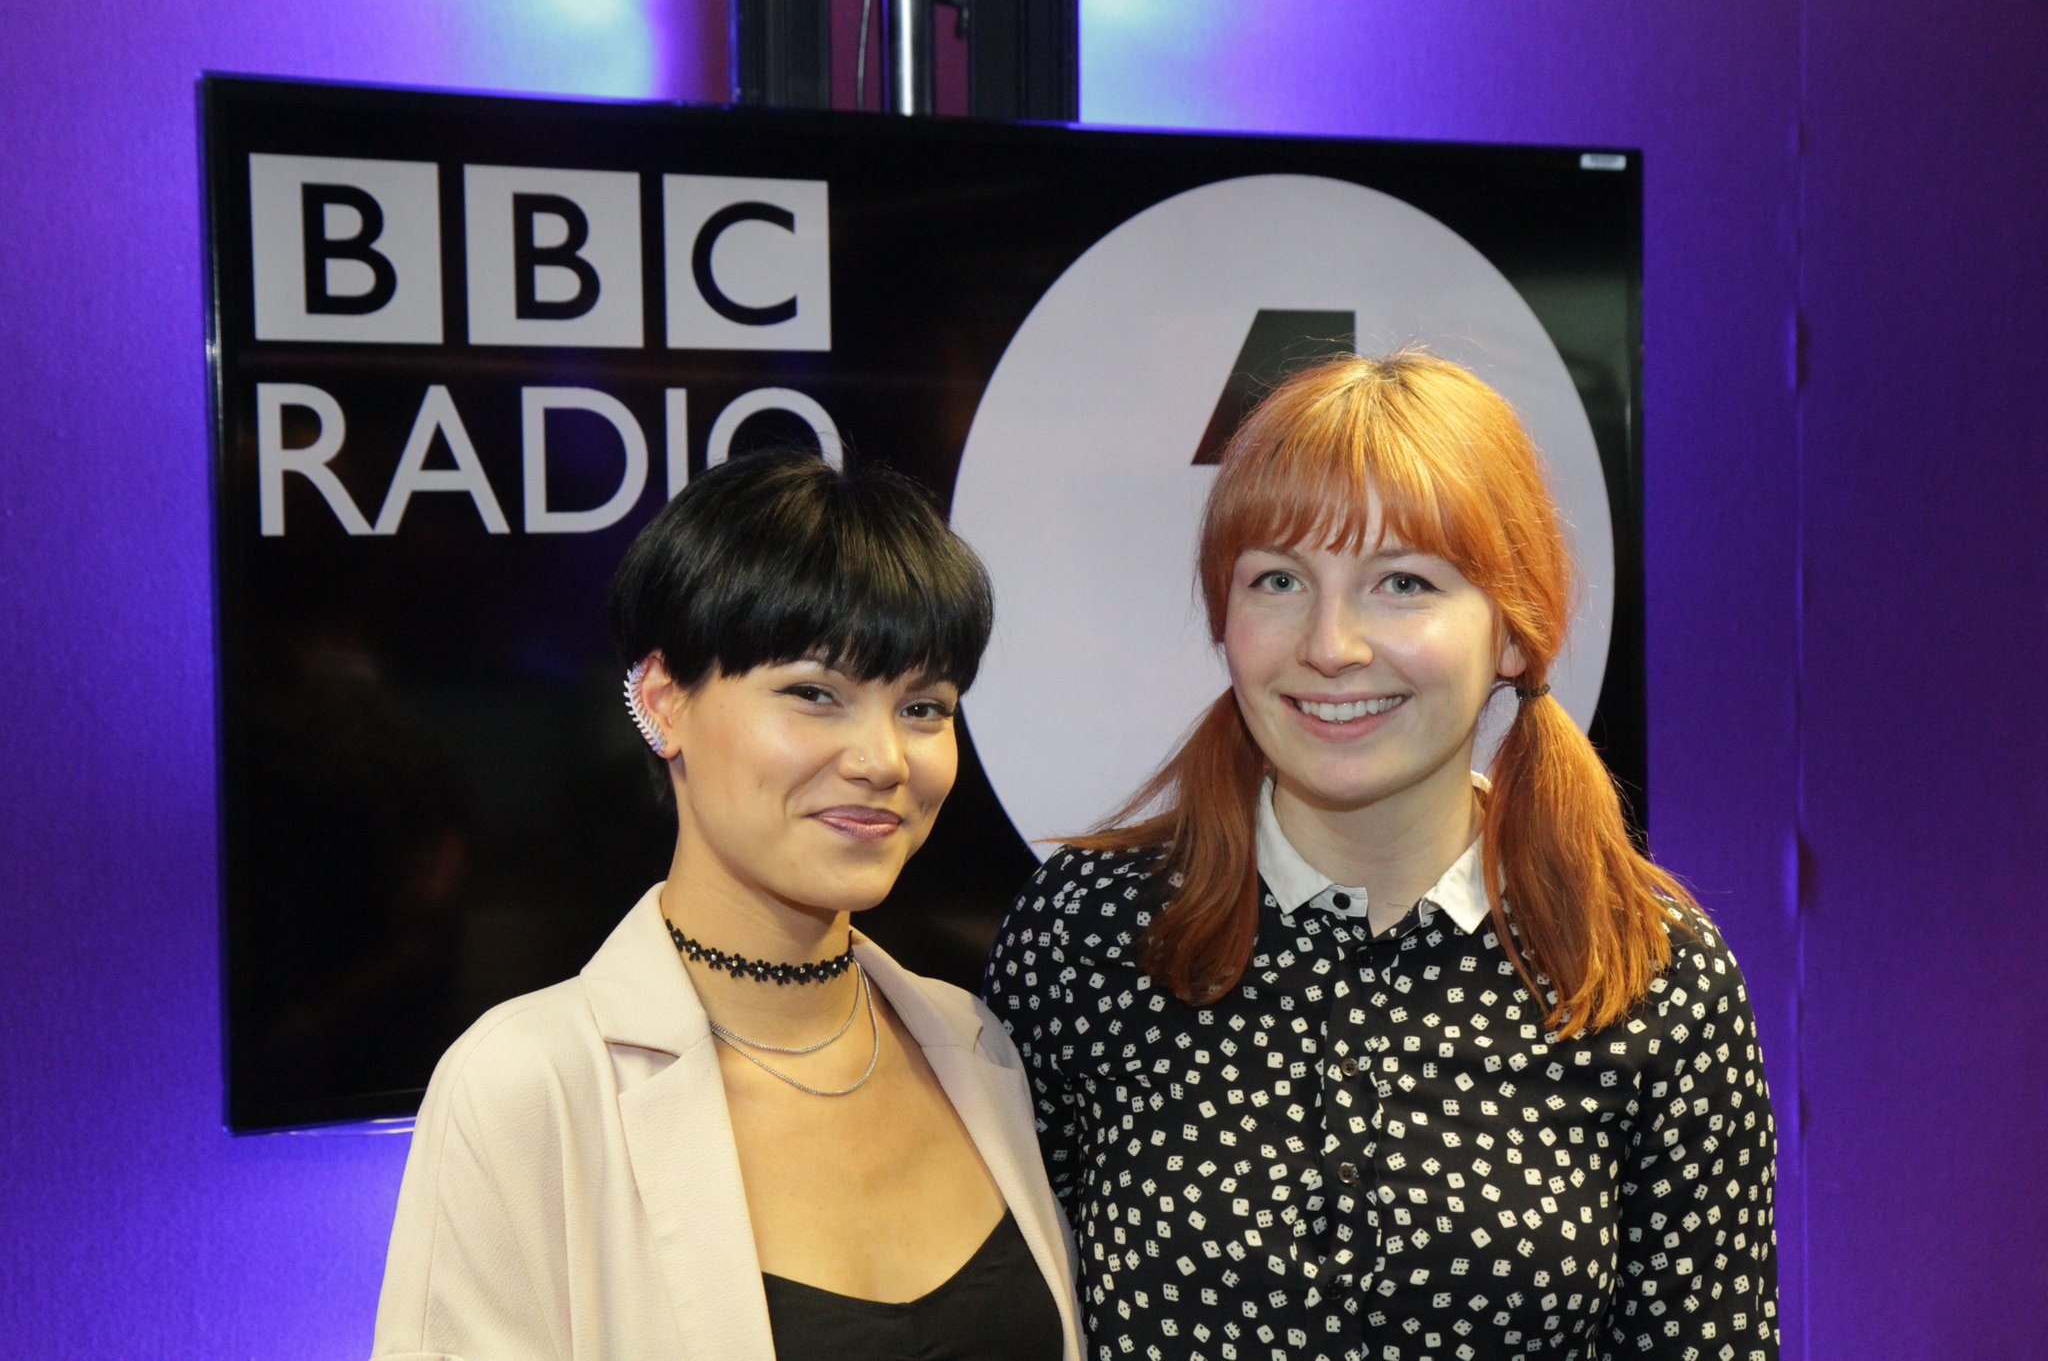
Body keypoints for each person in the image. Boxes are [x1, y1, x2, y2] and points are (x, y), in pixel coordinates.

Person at [984, 353, 1777, 1360]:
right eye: (1278, 580)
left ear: (1512, 633)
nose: (1331, 644)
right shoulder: (1088, 932)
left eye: (1402, 582)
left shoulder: (1648, 966)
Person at [374, 449, 1082, 1360]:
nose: (883, 760)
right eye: (815, 693)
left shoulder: (976, 1048)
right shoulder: (528, 1086)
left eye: (924, 707)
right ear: (663, 702)